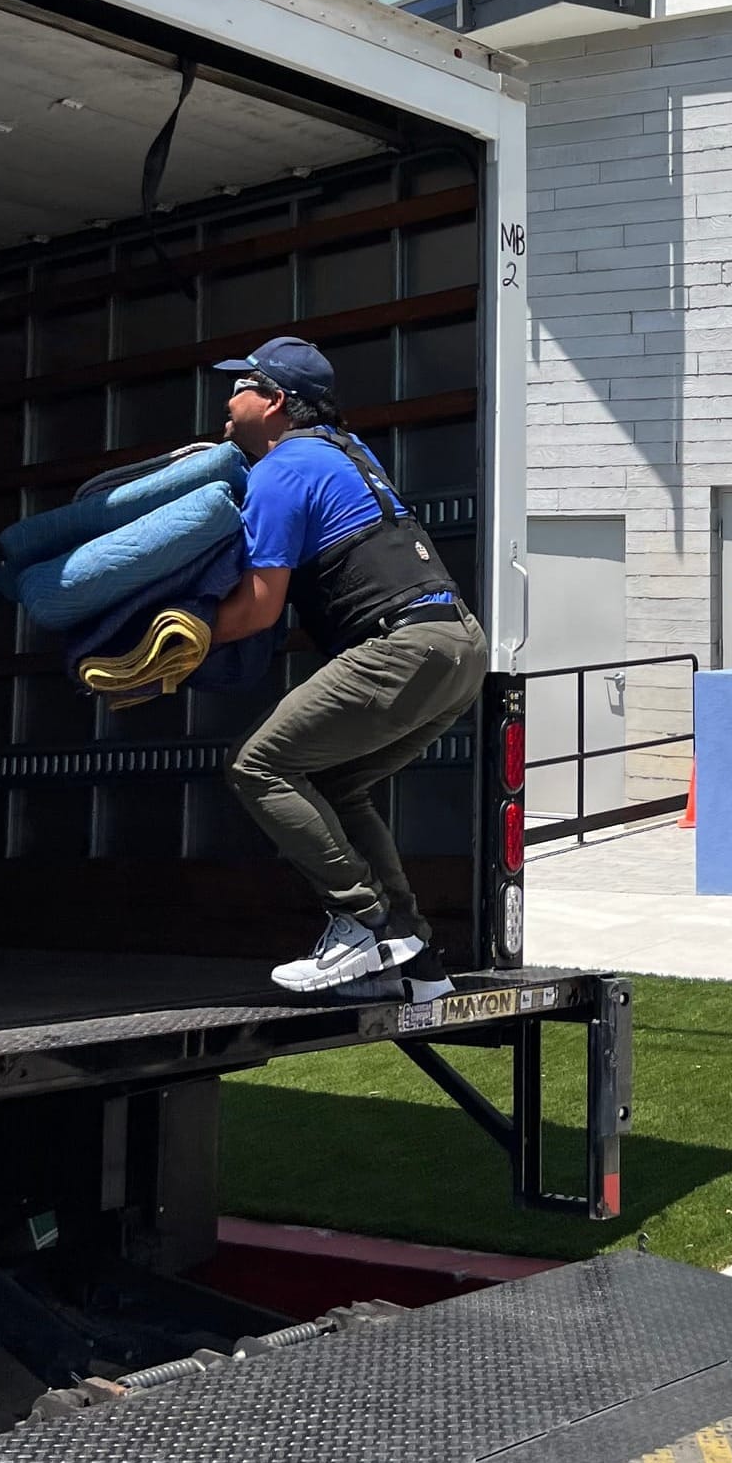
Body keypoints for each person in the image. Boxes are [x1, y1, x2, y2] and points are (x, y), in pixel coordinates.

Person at [207, 336, 487, 998]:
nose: (227, 399)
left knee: (259, 764)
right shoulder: (347, 452)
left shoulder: (282, 468)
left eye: (241, 386)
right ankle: (414, 964)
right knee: (336, 783)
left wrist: (169, 642)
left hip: (401, 645)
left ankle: (359, 922)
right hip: (459, 645)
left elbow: (258, 608)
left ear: (275, 401)